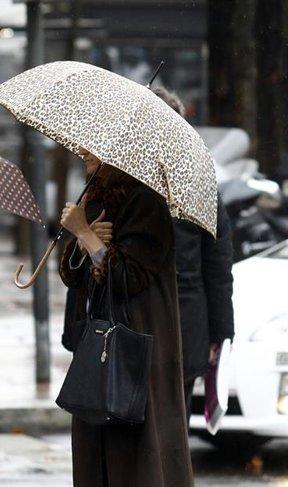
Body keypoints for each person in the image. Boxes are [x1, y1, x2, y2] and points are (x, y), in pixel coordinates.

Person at [59, 150, 193, 486]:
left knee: (135, 453)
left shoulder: (146, 202)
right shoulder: (94, 199)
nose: (84, 153)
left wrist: (86, 235)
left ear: (115, 153)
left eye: (93, 149)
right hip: (99, 345)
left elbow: (128, 277)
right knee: (97, 447)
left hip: (136, 344)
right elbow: (75, 277)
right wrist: (82, 239)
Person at [152, 87, 235, 420]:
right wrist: (221, 334)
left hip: (150, 330)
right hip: (185, 331)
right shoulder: (198, 185)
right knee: (173, 433)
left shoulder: (121, 186)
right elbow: (218, 268)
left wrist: (222, 334)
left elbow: (217, 267)